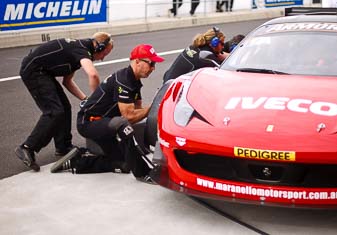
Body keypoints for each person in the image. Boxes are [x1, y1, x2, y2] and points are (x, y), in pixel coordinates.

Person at [51, 44, 164, 184]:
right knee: (122, 124)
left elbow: (137, 114)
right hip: (89, 122)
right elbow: (129, 117)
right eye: (151, 63)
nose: (153, 68)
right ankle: (143, 173)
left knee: (124, 164)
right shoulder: (124, 81)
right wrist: (154, 107)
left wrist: (151, 109)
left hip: (106, 123)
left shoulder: (134, 81)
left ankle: (78, 160)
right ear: (137, 61)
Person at [15, 32, 113, 172]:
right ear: (98, 47)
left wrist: (87, 100)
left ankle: (63, 147)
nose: (103, 58)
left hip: (44, 72)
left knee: (65, 107)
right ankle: (27, 147)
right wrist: (97, 102)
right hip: (34, 71)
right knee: (55, 111)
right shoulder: (83, 50)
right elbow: (93, 74)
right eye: (105, 53)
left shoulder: (79, 50)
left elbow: (67, 82)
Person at [163, 27, 228, 83]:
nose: (223, 47)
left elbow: (220, 55)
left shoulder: (195, 47)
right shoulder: (207, 57)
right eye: (222, 44)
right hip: (175, 88)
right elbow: (222, 70)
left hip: (167, 81)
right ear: (214, 43)